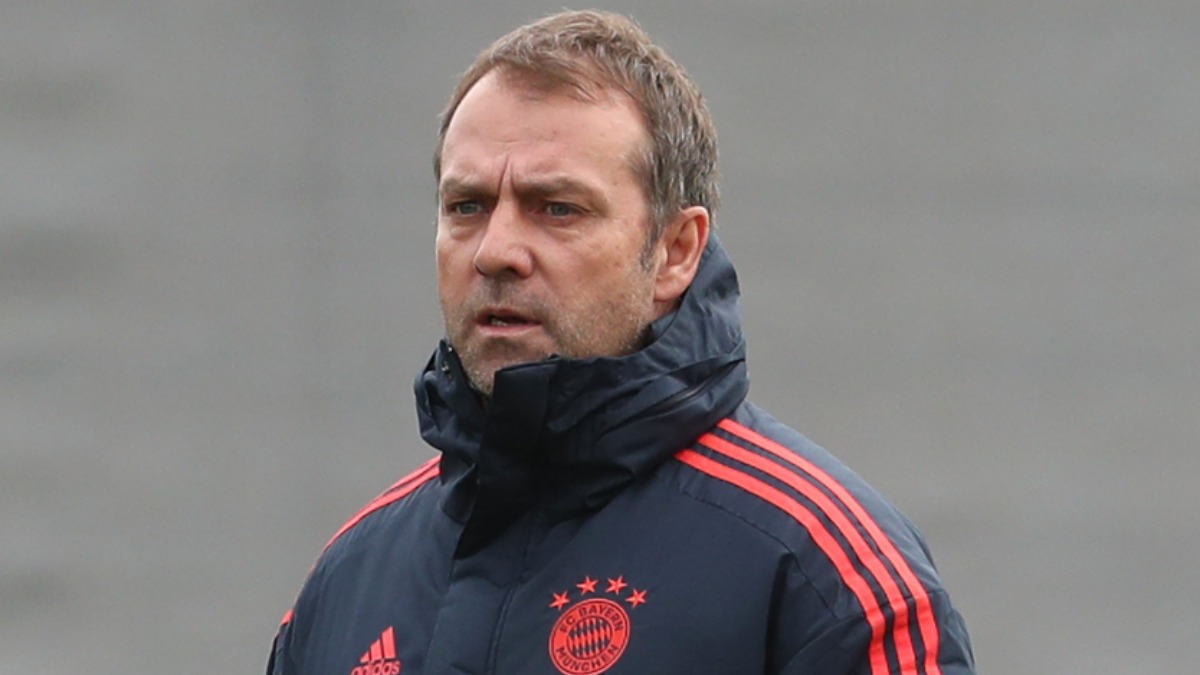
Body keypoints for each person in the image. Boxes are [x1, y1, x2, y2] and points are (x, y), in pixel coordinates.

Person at [266, 10, 974, 675]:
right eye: (467, 206)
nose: (496, 250)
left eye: (558, 208)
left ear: (675, 251)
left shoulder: (824, 572)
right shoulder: (348, 581)